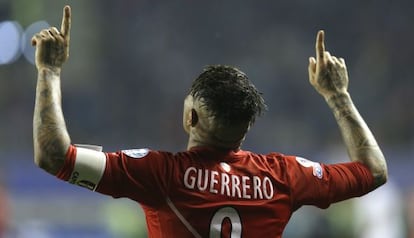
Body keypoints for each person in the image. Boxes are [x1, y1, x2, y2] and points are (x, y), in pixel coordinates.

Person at [31, 5, 388, 238]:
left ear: (191, 117)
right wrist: (338, 95)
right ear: (247, 129)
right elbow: (373, 171)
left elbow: (54, 156)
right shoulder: (283, 176)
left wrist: (49, 70)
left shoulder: (159, 174)